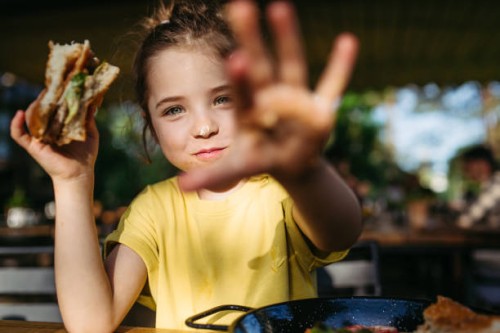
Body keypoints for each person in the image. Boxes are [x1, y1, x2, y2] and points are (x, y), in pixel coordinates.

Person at [10, 0, 362, 331]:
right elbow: (91, 323)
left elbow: (342, 231)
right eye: (174, 109)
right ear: (150, 123)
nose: (204, 127)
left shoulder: (287, 192)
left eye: (223, 98)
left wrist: (306, 172)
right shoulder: (153, 210)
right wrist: (73, 182)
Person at [456, 144, 500, 228]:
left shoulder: (497, 183)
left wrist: (462, 221)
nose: (465, 169)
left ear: (483, 164)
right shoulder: (489, 184)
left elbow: (471, 216)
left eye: (469, 164)